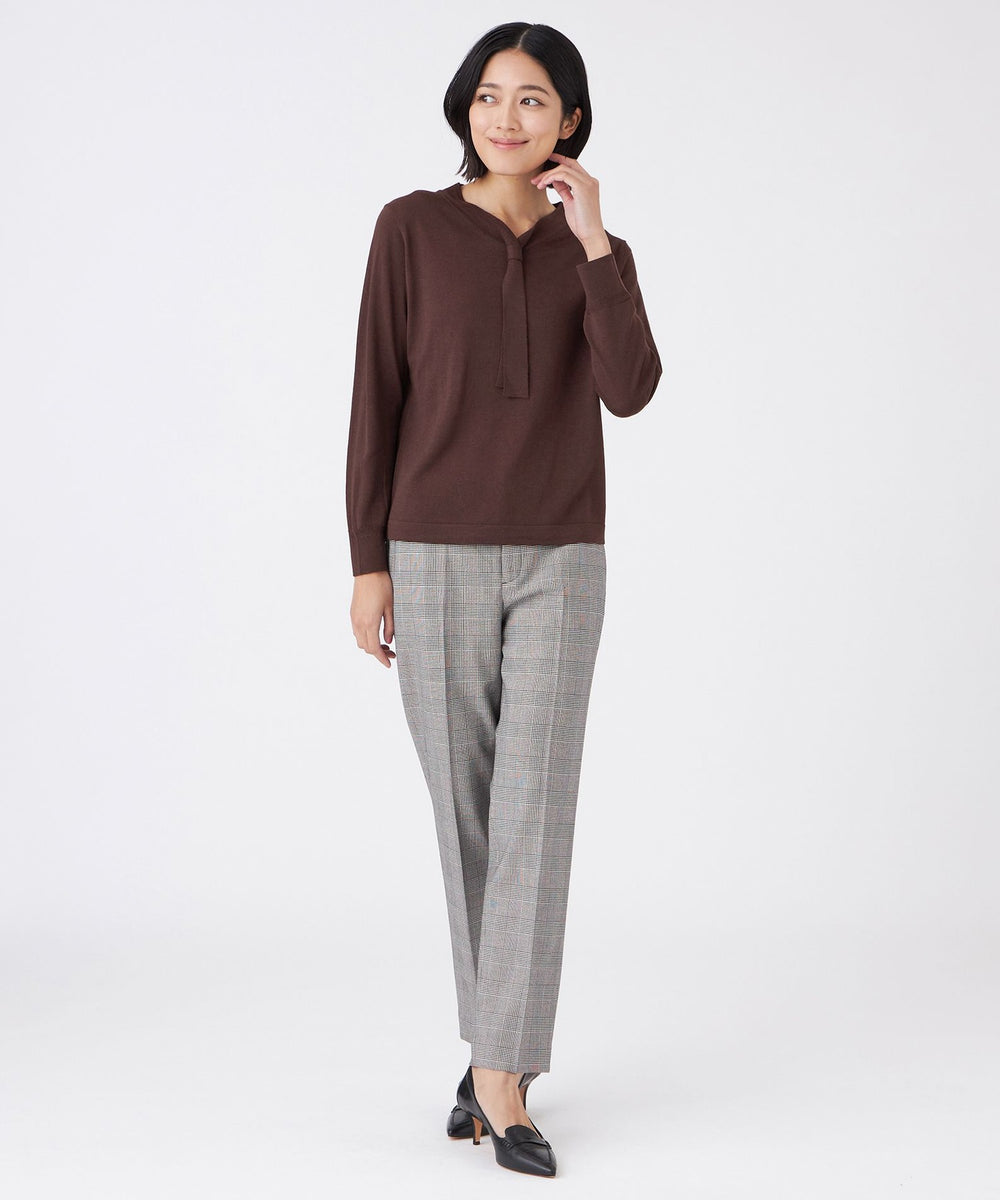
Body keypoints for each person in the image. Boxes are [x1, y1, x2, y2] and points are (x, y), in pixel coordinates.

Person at [346, 21, 662, 1178]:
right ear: (464, 110)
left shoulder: (595, 252)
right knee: (469, 815)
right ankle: (496, 1052)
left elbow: (630, 388)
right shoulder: (411, 228)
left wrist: (595, 242)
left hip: (560, 557)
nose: (506, 118)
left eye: (532, 100)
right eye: (488, 96)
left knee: (533, 810)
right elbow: (375, 393)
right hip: (428, 550)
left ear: (568, 120)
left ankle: (499, 1080)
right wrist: (367, 561)